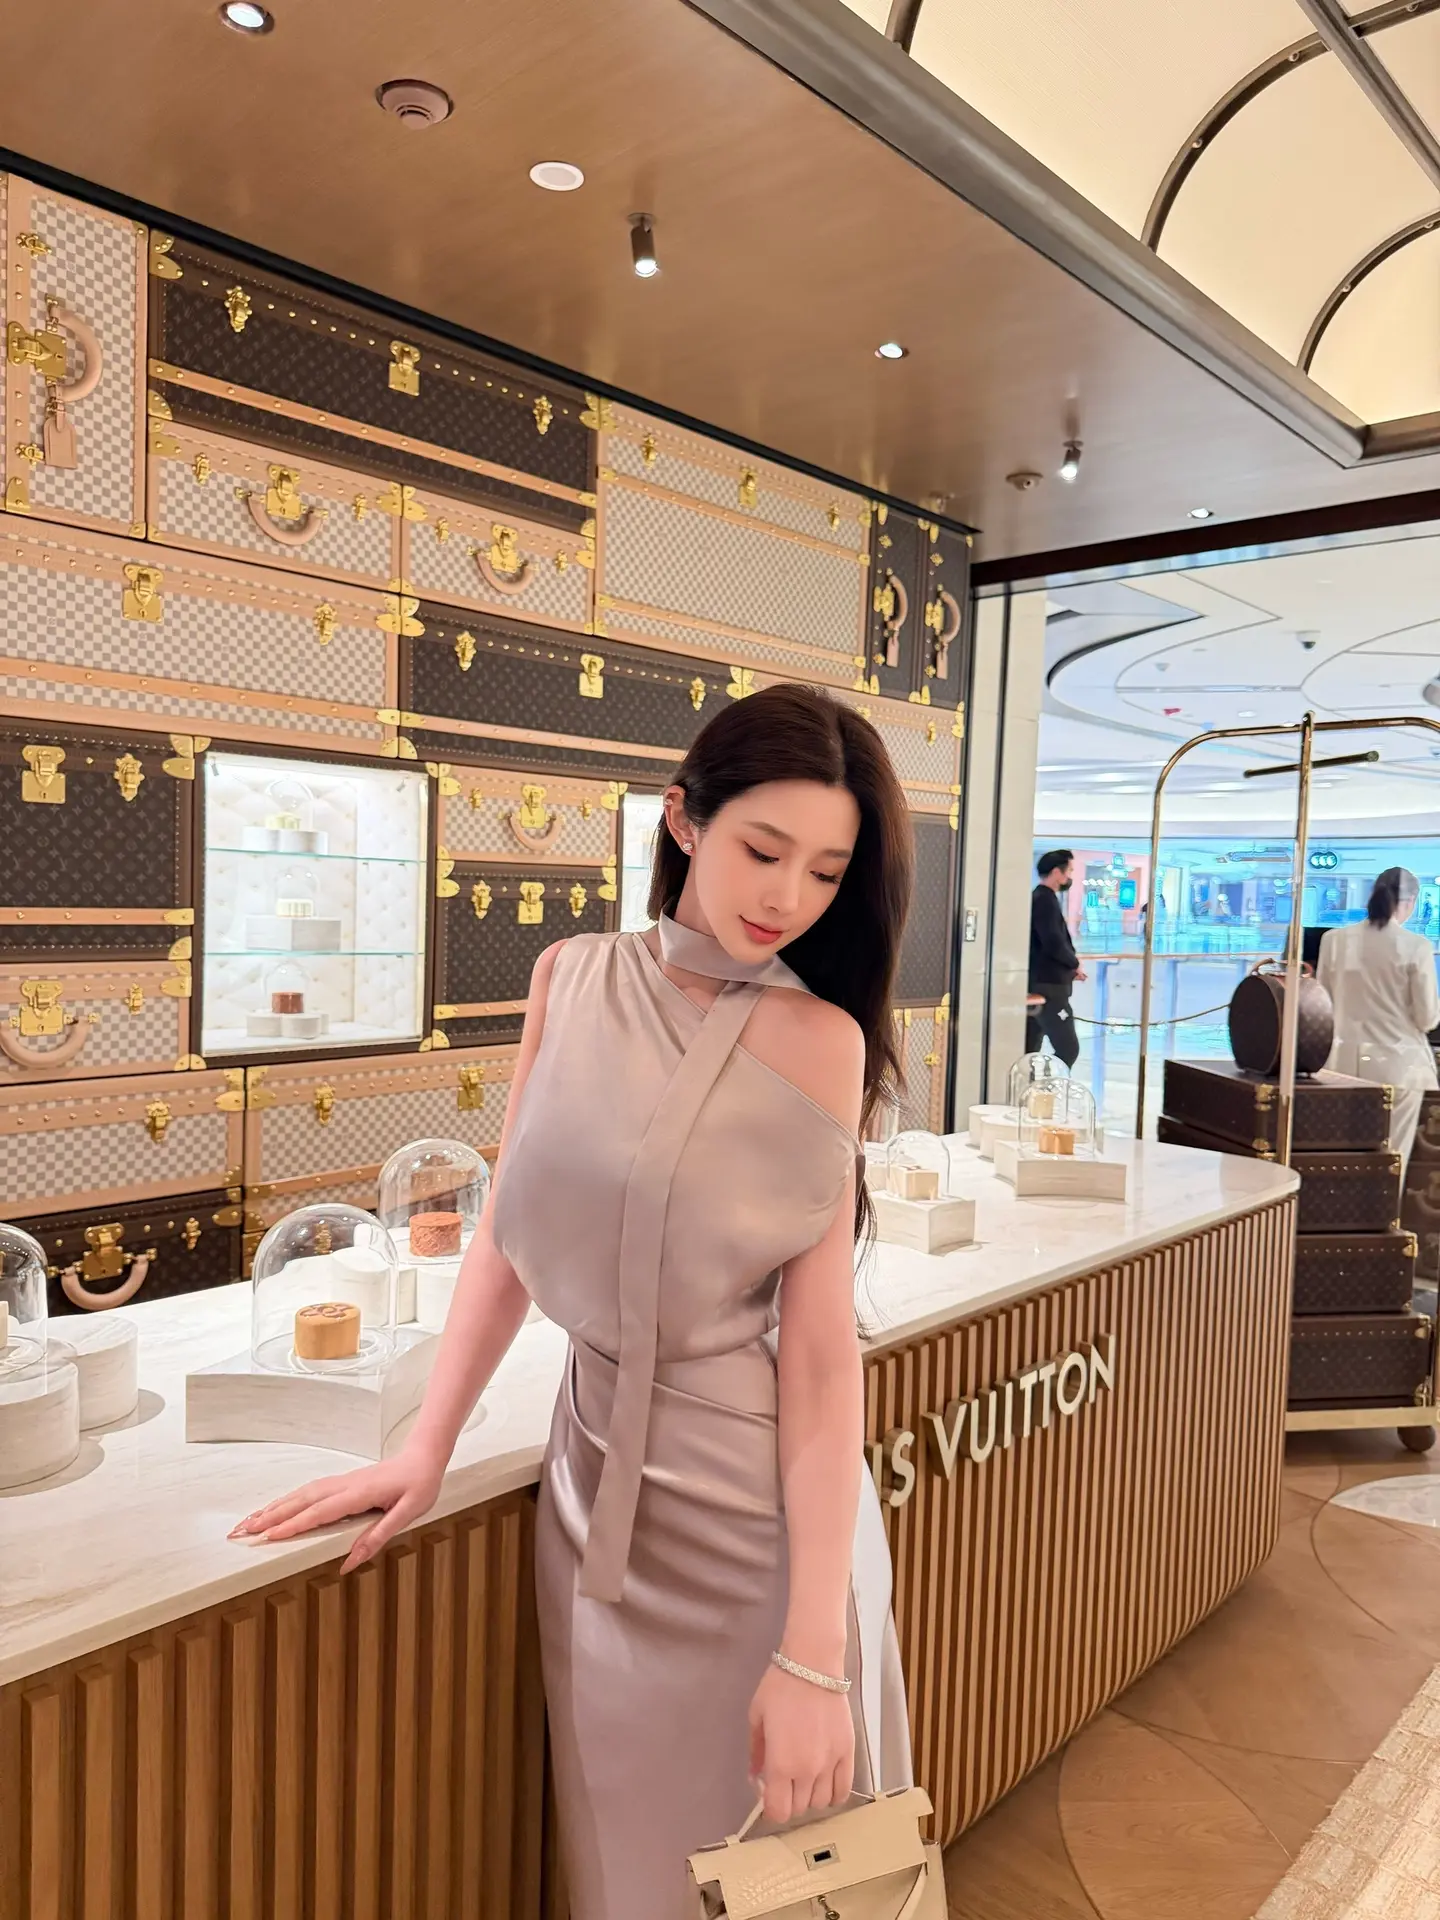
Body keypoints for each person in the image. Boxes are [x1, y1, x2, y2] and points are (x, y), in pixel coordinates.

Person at [229, 684, 916, 1917]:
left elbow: (820, 1366)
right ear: (684, 821)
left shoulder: (823, 1041)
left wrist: (815, 1654)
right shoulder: (571, 976)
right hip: (593, 1485)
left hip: (759, 1524)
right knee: (628, 1864)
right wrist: (425, 1445)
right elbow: (508, 1228)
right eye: (764, 851)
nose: (788, 897)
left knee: (791, 1883)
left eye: (825, 872)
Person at [1317, 866, 1440, 1175]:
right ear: (1411, 901)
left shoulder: (1333, 940)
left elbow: (1323, 1005)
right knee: (1390, 1158)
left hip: (1340, 1065)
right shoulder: (1417, 946)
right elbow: (1427, 1018)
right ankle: (1384, 1207)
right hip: (1397, 1066)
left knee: (1340, 1157)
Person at [1028, 848, 1086, 1068]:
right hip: (1050, 987)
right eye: (1068, 871)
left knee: (1029, 1049)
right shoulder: (1045, 901)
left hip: (1041, 983)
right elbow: (1053, 941)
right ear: (1056, 872)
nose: (1070, 876)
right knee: (1068, 1048)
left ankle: (1033, 1085)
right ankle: (1050, 1084)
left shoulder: (1042, 898)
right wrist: (1074, 963)